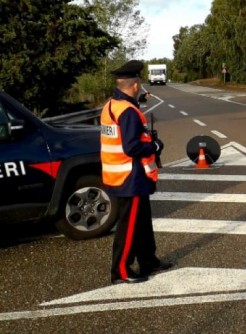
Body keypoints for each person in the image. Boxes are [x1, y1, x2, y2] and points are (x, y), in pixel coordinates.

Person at [100, 60, 173, 284]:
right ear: (134, 85)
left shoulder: (111, 105)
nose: (140, 87)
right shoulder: (128, 112)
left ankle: (148, 261)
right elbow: (131, 146)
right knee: (128, 226)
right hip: (130, 177)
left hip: (122, 175)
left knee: (142, 222)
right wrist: (155, 146)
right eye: (138, 84)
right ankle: (120, 271)